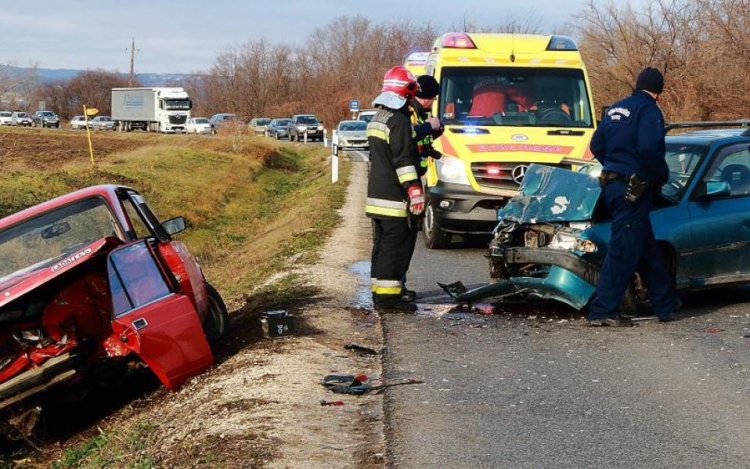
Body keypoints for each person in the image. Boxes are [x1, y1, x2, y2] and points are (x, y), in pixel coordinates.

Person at [587, 67, 675, 327]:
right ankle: (602, 311)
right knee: (623, 250)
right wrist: (654, 176)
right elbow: (651, 149)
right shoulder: (648, 110)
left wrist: (615, 166)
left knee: (646, 247)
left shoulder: (616, 108)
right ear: (658, 92)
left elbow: (597, 145)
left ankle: (665, 305)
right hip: (633, 190)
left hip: (612, 187)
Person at [366, 65, 425, 313]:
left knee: (381, 246)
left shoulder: (377, 118)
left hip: (376, 197)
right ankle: (388, 300)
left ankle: (380, 291)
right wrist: (414, 191)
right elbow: (403, 161)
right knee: (394, 247)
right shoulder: (399, 121)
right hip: (394, 199)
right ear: (407, 92)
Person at [400, 75, 444, 302]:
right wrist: (428, 127)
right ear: (423, 96)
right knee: (403, 236)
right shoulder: (409, 112)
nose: (433, 100)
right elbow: (408, 137)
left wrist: (433, 150)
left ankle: (399, 284)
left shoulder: (420, 112)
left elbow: (420, 144)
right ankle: (398, 285)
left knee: (407, 235)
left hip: (417, 176)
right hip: (408, 180)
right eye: (432, 97)